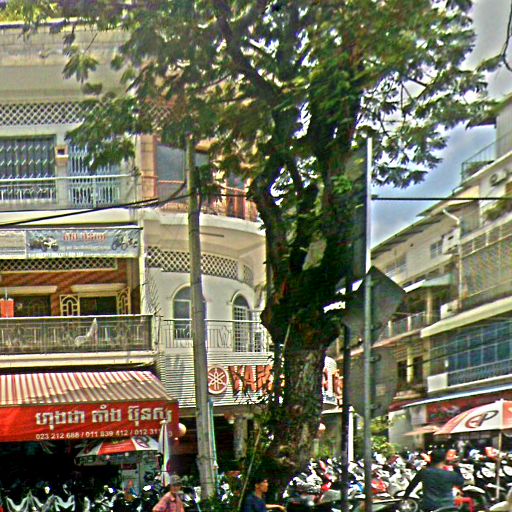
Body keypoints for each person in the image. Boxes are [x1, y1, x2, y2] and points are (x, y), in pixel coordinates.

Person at [403, 448, 465, 512]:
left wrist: (405, 497)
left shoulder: (424, 472)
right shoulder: (450, 474)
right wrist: (456, 467)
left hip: (430, 507)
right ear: (444, 459)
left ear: (431, 458)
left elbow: (412, 485)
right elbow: (461, 482)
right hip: (448, 506)